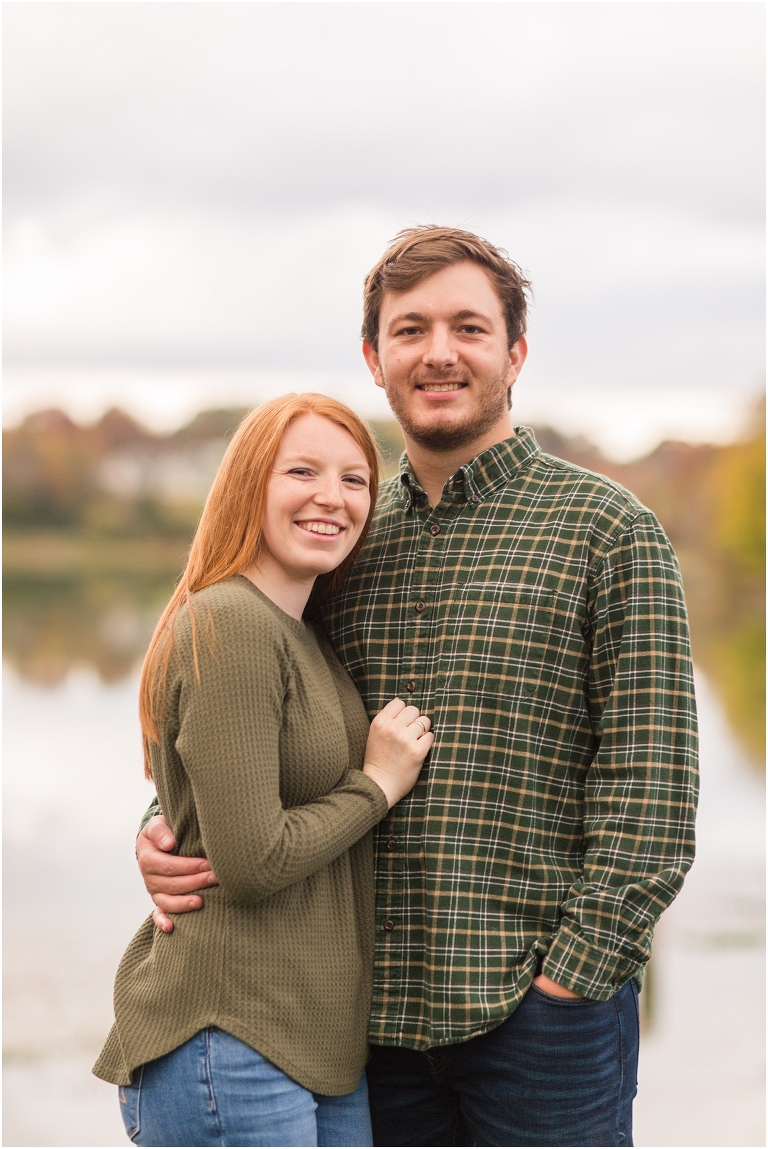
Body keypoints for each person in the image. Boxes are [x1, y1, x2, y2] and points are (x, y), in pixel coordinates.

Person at [136, 227, 699, 1147]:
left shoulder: (607, 533)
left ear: (515, 352)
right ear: (375, 357)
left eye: (469, 328)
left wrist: (570, 981)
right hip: (363, 1029)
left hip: (542, 1021)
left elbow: (652, 798)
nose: (439, 352)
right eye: (410, 330)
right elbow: (241, 728)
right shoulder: (338, 539)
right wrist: (163, 830)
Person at [93, 393, 434, 1147]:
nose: (332, 497)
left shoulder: (301, 633)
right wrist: (376, 784)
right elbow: (251, 861)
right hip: (230, 1038)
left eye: (354, 480)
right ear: (250, 483)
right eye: (303, 470)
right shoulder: (232, 623)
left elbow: (206, 801)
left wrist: (158, 828)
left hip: (313, 1050)